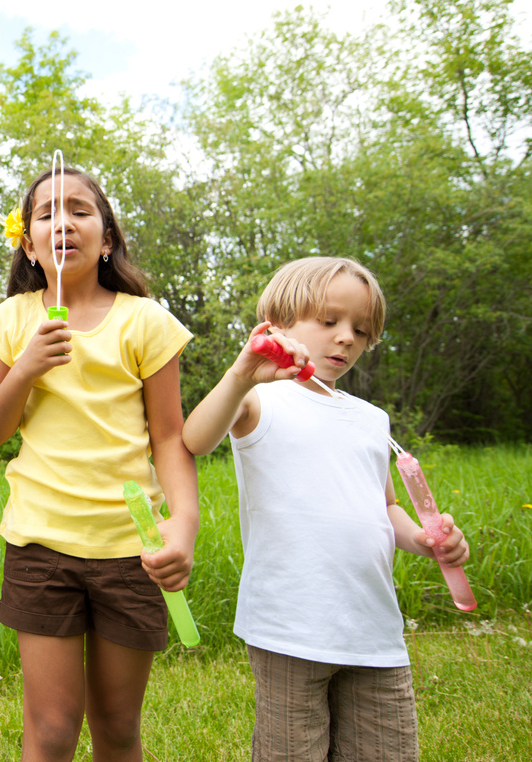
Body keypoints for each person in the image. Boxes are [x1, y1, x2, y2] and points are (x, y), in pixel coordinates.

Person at [182, 256, 471, 762]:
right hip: (289, 624)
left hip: (372, 627)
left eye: (361, 330)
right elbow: (196, 437)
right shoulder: (259, 400)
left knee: (388, 751)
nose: (346, 339)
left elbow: (385, 508)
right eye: (329, 321)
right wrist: (241, 374)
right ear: (278, 326)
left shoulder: (371, 419)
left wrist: (425, 540)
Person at [0, 164, 196, 762]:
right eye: (47, 212)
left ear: (108, 236)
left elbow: (171, 438)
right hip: (40, 542)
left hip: (132, 546)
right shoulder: (13, 320)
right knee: (50, 731)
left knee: (118, 727)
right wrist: (25, 367)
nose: (64, 221)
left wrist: (184, 526)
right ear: (28, 242)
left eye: (80, 209)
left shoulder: (144, 321)